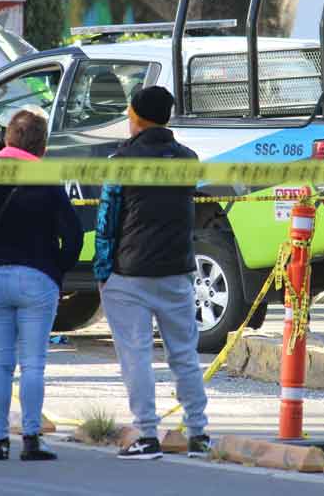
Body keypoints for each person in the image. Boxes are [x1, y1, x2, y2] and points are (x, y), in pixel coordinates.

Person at [93, 85, 211, 461]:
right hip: (177, 271)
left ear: (135, 118)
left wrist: (102, 273)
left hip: (129, 275)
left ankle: (146, 434)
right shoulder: (188, 160)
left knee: (136, 356)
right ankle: (199, 434)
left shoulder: (120, 163)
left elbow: (107, 223)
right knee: (184, 355)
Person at [0, 108, 83, 462]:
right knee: (33, 363)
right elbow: (74, 235)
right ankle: (31, 439)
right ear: (43, 146)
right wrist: (56, 271)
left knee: (1, 362)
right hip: (38, 277)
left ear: (7, 139)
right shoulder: (48, 181)